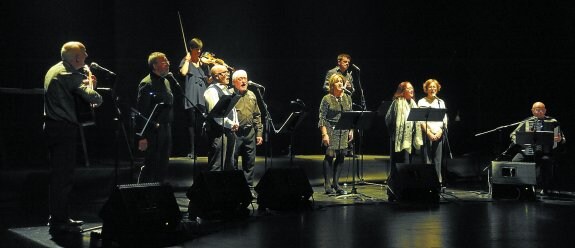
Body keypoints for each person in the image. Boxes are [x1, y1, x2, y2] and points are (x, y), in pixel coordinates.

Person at [43, 41, 103, 234]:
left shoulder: (56, 69)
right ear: (76, 57)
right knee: (63, 177)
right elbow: (94, 98)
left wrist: (85, 81)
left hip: (54, 128)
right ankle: (59, 220)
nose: (86, 56)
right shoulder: (68, 73)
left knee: (60, 176)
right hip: (63, 129)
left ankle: (59, 216)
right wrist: (91, 84)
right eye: (84, 53)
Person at [509, 102, 566, 194]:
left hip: (545, 152)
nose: (539, 111)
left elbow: (562, 138)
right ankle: (517, 186)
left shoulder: (553, 122)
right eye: (537, 109)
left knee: (546, 160)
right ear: (532, 111)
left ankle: (545, 188)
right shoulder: (527, 121)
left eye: (542, 110)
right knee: (515, 160)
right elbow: (513, 134)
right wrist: (522, 144)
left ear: (545, 110)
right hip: (528, 150)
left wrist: (559, 139)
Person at [135, 52, 174, 183]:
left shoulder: (167, 82)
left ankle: (159, 194)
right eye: (164, 61)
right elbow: (141, 112)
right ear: (154, 66)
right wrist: (142, 137)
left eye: (167, 60)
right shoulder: (147, 83)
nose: (168, 63)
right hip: (153, 131)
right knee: (151, 164)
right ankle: (145, 194)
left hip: (166, 129)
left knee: (163, 164)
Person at [319, 73, 354, 195]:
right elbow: (322, 118)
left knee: (341, 156)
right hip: (330, 128)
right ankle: (327, 183)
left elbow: (350, 116)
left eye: (341, 81)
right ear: (332, 85)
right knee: (330, 155)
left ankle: (336, 183)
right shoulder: (326, 99)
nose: (340, 83)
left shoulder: (347, 98)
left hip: (344, 129)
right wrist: (324, 134)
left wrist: (351, 130)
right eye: (337, 81)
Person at [231, 70, 263, 187]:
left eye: (245, 78)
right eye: (240, 79)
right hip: (235, 133)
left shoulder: (252, 95)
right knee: (232, 161)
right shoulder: (230, 94)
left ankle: (249, 187)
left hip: (250, 133)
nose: (244, 81)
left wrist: (259, 133)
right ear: (234, 82)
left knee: (250, 162)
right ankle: (235, 187)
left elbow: (257, 115)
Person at [179, 38, 210, 159]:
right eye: (197, 49)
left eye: (200, 49)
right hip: (191, 96)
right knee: (191, 124)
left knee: (202, 124)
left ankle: (202, 149)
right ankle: (192, 150)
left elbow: (208, 80)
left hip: (202, 95)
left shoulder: (203, 64)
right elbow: (183, 73)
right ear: (191, 49)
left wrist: (213, 75)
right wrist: (187, 60)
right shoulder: (186, 61)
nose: (199, 51)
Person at [204, 64, 239, 171]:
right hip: (219, 132)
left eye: (228, 72)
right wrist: (230, 124)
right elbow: (216, 114)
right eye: (225, 73)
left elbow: (232, 109)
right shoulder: (212, 91)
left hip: (229, 130)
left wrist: (235, 122)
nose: (228, 75)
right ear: (217, 76)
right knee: (217, 164)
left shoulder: (226, 90)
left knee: (229, 164)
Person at [324, 54, 356, 157]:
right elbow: (325, 86)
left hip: (345, 102)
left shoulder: (349, 75)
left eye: (348, 62)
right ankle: (331, 151)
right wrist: (337, 88)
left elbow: (353, 91)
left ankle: (347, 148)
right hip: (334, 102)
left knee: (347, 123)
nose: (347, 64)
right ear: (339, 62)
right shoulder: (332, 72)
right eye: (345, 62)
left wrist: (349, 87)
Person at [385, 81, 423, 168]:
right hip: (398, 138)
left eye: (412, 88)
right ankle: (396, 180)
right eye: (409, 88)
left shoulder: (413, 103)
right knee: (399, 163)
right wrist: (395, 131)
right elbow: (388, 119)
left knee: (408, 163)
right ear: (402, 91)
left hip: (410, 137)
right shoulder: (397, 103)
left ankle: (406, 180)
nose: (411, 90)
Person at [417, 79, 448, 185]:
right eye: (430, 87)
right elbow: (420, 120)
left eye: (434, 87)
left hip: (439, 133)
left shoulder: (440, 102)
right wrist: (429, 133)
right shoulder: (421, 101)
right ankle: (427, 183)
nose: (432, 89)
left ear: (438, 88)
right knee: (427, 160)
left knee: (438, 160)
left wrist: (440, 131)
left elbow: (444, 119)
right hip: (427, 134)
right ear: (426, 89)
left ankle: (438, 183)